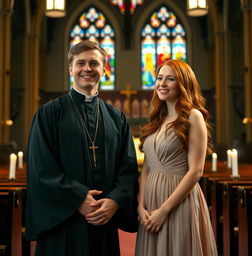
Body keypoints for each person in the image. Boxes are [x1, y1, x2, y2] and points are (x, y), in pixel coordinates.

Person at [25, 40, 138, 256]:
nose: (87, 69)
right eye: (80, 63)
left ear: (104, 69)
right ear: (71, 69)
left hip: (104, 220)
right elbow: (41, 168)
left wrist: (114, 201)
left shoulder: (117, 118)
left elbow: (128, 167)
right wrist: (77, 198)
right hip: (64, 222)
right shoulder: (49, 114)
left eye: (94, 64)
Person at [135, 59, 218, 256]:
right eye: (159, 78)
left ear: (183, 84)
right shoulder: (157, 119)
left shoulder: (193, 116)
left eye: (170, 79)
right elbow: (147, 168)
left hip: (178, 201)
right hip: (151, 203)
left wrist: (164, 210)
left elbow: (196, 171)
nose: (162, 84)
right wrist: (141, 206)